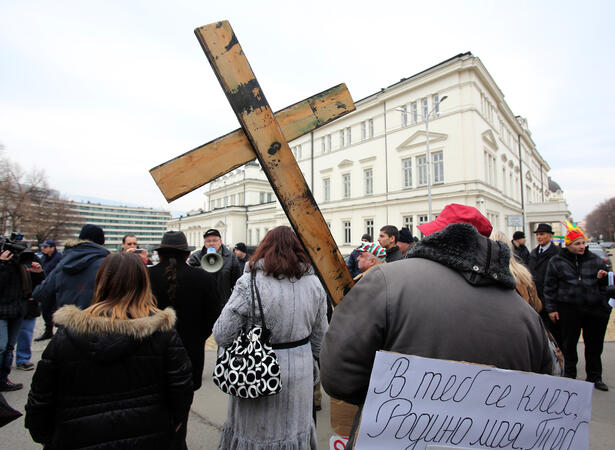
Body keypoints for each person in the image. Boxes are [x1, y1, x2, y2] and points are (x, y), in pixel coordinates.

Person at [320, 204, 553, 444]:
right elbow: (543, 392)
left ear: (437, 236)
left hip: (395, 433)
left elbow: (338, 376)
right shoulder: (525, 314)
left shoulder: (385, 281)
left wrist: (385, 397)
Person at [25, 252, 194, 449]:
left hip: (77, 437)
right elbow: (182, 388)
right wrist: (174, 423)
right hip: (150, 434)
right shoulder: (163, 334)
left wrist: (47, 435)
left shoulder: (66, 337)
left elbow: (41, 398)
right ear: (143, 283)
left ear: (100, 281)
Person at [213, 226, 328, 449]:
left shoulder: (249, 282)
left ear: (264, 248)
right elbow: (320, 339)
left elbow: (222, 333)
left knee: (256, 435)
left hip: (256, 370)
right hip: (301, 373)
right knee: (294, 432)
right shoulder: (314, 284)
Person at [543, 222, 611, 391]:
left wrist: (603, 288)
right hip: (569, 309)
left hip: (593, 309)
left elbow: (606, 287)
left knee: (594, 346)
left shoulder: (595, 260)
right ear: (568, 245)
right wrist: (551, 308)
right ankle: (569, 375)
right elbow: (549, 287)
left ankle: (595, 377)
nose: (582, 246)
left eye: (583, 243)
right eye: (577, 243)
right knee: (568, 344)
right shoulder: (557, 261)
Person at [149, 231, 220, 390]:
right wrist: (198, 336)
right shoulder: (203, 278)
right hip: (190, 350)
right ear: (187, 255)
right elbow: (214, 314)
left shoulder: (147, 276)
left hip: (152, 349)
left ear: (160, 255)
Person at [492, 231, 564, 376]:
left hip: (499, 340)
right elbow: (537, 306)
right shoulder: (523, 274)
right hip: (526, 337)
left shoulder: (489, 275)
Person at [33, 224, 109, 311]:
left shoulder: (63, 263)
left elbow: (41, 294)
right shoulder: (108, 264)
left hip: (67, 321)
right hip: (95, 320)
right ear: (102, 243)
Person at [0, 249, 44, 391]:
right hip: (2, 311)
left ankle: (3, 379)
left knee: (9, 347)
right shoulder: (3, 264)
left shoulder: (23, 265)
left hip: (18, 310)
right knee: (1, 346)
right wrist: (2, 264)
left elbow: (36, 286)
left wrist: (38, 273)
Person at [188, 229, 241, 310]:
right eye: (208, 241)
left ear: (220, 242)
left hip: (223, 304)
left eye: (214, 240)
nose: (211, 243)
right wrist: (204, 266)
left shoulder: (231, 257)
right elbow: (190, 279)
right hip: (202, 304)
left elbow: (237, 283)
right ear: (205, 243)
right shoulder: (196, 257)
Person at [528, 223, 561, 345]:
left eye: (541, 234)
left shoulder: (557, 253)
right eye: (537, 234)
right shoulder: (533, 253)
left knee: (555, 335)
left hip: (551, 300)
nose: (539, 237)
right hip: (536, 299)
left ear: (550, 236)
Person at [34, 240, 62, 341]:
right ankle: (48, 331)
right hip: (46, 286)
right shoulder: (44, 258)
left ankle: (59, 333)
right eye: (43, 247)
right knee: (45, 310)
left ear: (52, 247)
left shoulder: (59, 258)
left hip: (56, 288)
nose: (43, 249)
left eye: (45, 247)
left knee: (56, 311)